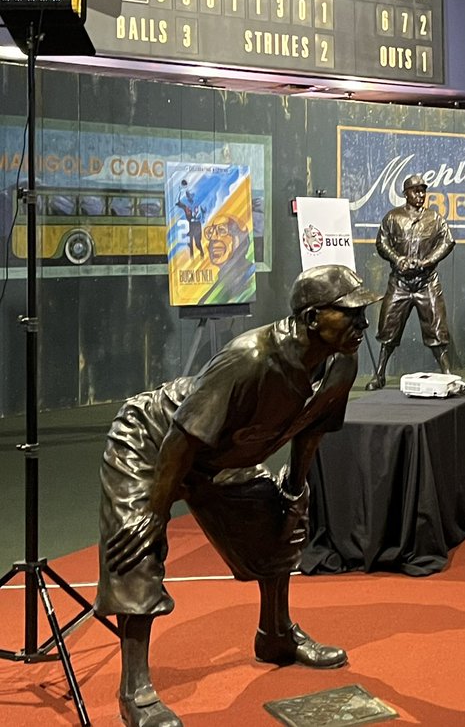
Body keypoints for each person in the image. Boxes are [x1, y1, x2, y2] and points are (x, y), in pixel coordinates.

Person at [97, 264, 381, 727]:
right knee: (137, 543)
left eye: (362, 313)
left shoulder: (342, 362)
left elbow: (312, 429)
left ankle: (275, 634)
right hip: (155, 440)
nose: (362, 324)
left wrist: (294, 490)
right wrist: (156, 510)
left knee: (278, 521)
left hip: (220, 452)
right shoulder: (250, 357)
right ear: (312, 318)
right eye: (349, 314)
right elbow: (181, 440)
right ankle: (134, 688)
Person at [366, 174, 456, 388]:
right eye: (415, 190)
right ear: (405, 193)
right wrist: (397, 259)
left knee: (437, 329)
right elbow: (382, 241)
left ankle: (447, 373)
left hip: (427, 282)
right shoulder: (393, 217)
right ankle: (379, 374)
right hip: (400, 283)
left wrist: (427, 261)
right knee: (388, 328)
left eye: (423, 190)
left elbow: (448, 241)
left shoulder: (434, 218)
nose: (420, 194)